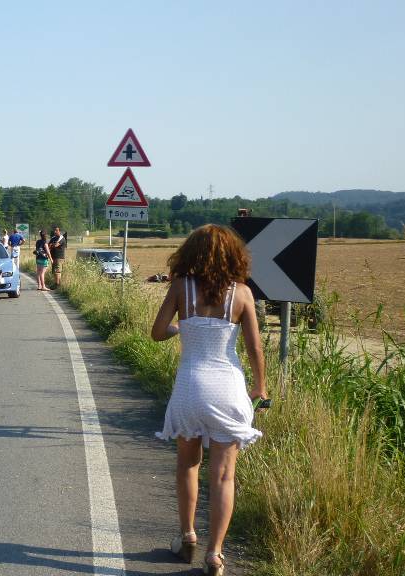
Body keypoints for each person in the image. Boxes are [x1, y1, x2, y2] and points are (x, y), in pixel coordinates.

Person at [150, 224, 267, 576]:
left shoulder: (180, 289)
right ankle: (215, 554)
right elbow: (254, 348)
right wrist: (260, 387)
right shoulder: (243, 294)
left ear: (191, 254)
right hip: (228, 387)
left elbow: (157, 333)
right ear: (234, 255)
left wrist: (180, 329)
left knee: (188, 463)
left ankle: (187, 536)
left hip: (190, 386)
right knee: (223, 476)